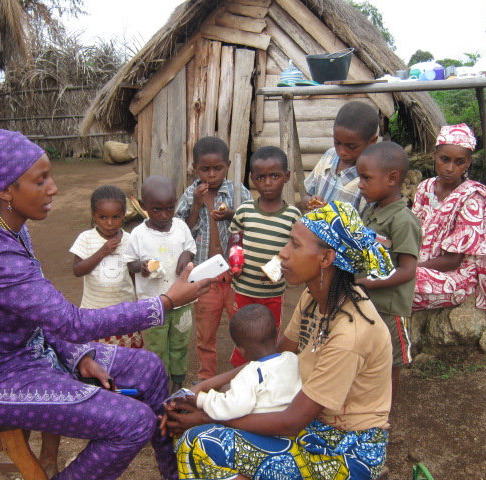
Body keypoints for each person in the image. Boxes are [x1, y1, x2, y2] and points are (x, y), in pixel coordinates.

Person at [0, 129, 213, 480]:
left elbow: (41, 317)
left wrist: (76, 355)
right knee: (132, 423)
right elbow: (70, 322)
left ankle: (174, 474)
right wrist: (165, 302)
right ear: (6, 190)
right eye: (41, 181)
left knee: (150, 370)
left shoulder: (11, 230)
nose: (53, 188)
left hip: (25, 359)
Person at [165, 201, 395, 480]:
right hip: (311, 425)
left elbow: (290, 422)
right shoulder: (313, 299)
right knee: (206, 425)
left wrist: (207, 414)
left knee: (200, 442)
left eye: (295, 245)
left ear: (326, 258)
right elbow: (270, 361)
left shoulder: (350, 334)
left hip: (345, 450)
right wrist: (200, 390)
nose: (283, 254)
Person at [411, 123, 486, 324]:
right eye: (445, 159)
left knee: (398, 283)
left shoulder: (472, 197)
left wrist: (408, 269)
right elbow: (412, 232)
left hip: (455, 277)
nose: (450, 168)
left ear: (468, 163)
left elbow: (453, 261)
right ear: (434, 156)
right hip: (418, 264)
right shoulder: (425, 188)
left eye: (459, 162)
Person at [175, 136, 252, 382]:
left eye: (217, 168)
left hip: (235, 274)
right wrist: (197, 205)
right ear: (195, 168)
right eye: (204, 169)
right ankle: (206, 376)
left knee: (244, 327)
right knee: (205, 332)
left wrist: (231, 215)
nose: (211, 174)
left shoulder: (238, 192)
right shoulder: (190, 195)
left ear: (227, 165)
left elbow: (250, 225)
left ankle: (248, 373)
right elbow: (183, 232)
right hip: (204, 277)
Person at [355, 142, 421, 403]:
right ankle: (366, 404)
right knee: (366, 355)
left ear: (393, 178)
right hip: (368, 302)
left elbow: (407, 270)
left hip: (390, 309)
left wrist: (368, 283)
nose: (360, 184)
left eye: (366, 178)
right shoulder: (371, 211)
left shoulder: (403, 221)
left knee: (389, 364)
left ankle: (383, 414)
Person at [228, 146, 301, 367]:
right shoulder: (244, 211)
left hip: (273, 292)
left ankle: (268, 370)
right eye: (260, 177)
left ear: (287, 176)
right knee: (243, 333)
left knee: (269, 334)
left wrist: (277, 270)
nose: (267, 183)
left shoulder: (293, 216)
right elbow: (235, 240)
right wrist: (234, 262)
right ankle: (240, 370)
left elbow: (295, 250)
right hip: (243, 289)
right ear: (252, 179)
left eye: (275, 176)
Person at [125, 175, 197, 392]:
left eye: (169, 208)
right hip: (152, 304)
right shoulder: (137, 234)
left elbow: (190, 248)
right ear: (143, 205)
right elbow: (129, 264)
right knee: (156, 347)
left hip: (182, 300)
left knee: (180, 343)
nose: (164, 215)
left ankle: (178, 381)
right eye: (156, 209)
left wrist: (187, 255)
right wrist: (142, 267)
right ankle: (161, 383)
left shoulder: (181, 227)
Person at [195, 304, 302, 421]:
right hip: (292, 422)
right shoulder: (293, 358)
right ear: (276, 334)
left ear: (241, 350)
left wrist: (202, 399)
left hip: (262, 429)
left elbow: (231, 407)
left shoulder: (250, 374)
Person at [70, 185, 142, 348]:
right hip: (94, 312)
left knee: (127, 357)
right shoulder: (86, 239)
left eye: (116, 217)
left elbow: (132, 274)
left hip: (125, 310)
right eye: (103, 217)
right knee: (98, 359)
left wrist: (138, 301)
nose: (110, 223)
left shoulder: (130, 240)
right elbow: (77, 270)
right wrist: (102, 252)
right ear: (94, 215)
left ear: (124, 215)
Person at [300, 101, 379, 212]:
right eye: (337, 142)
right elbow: (305, 196)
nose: (342, 151)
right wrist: (310, 201)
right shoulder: (329, 156)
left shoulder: (369, 179)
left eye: (351, 147)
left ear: (372, 141)